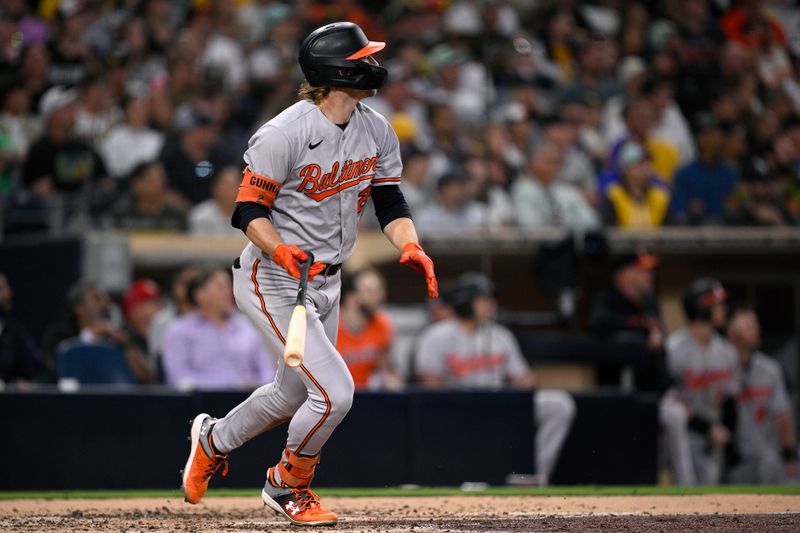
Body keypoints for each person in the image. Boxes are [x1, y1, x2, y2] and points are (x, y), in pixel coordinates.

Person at [180, 22, 438, 527]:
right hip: (273, 276)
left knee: (292, 393)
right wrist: (278, 250)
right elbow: (247, 210)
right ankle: (287, 485)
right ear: (336, 70)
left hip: (328, 278)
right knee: (335, 392)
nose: (372, 64)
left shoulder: (377, 128)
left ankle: (213, 440)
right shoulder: (283, 133)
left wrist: (410, 244)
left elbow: (389, 199)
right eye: (362, 58)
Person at [414, 273, 575, 485]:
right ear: (465, 302)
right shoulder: (436, 335)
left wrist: (522, 385)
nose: (492, 304)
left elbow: (524, 379)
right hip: (459, 408)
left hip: (499, 404)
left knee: (559, 404)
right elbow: (430, 385)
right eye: (484, 299)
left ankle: (534, 476)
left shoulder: (501, 335)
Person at [660, 278, 740, 486]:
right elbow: (667, 399)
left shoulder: (726, 351)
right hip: (682, 434)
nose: (723, 309)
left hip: (712, 438)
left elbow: (731, 400)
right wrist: (706, 428)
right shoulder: (674, 348)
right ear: (702, 307)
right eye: (718, 303)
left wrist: (725, 433)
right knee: (685, 488)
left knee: (709, 498)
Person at [162, 267, 275, 390]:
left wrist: (259, 388)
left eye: (229, 286)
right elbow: (180, 378)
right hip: (202, 403)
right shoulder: (180, 330)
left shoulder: (245, 327)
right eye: (221, 287)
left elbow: (267, 371)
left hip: (249, 400)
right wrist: (225, 388)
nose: (229, 292)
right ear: (200, 295)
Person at [726, 308, 798, 484]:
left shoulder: (770, 369)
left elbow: (782, 416)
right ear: (732, 332)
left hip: (767, 456)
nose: (756, 330)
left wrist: (789, 455)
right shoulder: (721, 367)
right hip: (729, 459)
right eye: (749, 326)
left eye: (756, 325)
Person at [588, 250, 667, 391]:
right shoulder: (607, 300)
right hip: (613, 388)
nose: (650, 276)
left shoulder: (650, 303)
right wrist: (642, 335)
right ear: (624, 274)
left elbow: (660, 332)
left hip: (649, 387)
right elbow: (599, 325)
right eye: (643, 271)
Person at [336, 269, 400, 390]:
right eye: (371, 292)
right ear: (351, 297)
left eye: (379, 291)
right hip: (334, 398)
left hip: (368, 398)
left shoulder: (382, 324)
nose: (379, 297)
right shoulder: (329, 325)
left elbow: (386, 370)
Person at [511, 143, 600, 230]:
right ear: (532, 163)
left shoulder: (568, 191)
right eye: (548, 160)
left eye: (556, 161)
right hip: (538, 243)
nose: (553, 166)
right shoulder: (523, 189)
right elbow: (528, 225)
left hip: (570, 242)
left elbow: (591, 221)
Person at [670, 113, 739, 225]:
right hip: (694, 234)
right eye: (709, 134)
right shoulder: (684, 173)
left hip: (725, 233)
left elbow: (735, 205)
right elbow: (678, 209)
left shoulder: (729, 173)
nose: (715, 138)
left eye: (717, 133)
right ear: (699, 138)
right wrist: (690, 208)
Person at [601, 141, 670, 229]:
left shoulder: (661, 197)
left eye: (647, 163)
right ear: (626, 169)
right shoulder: (613, 195)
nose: (645, 168)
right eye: (639, 164)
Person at [0, 272, 50, 384]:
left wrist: (30, 384)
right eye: (0, 289)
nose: (7, 294)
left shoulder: (13, 334)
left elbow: (42, 373)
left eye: (6, 288)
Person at [111, 161, 187, 231]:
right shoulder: (121, 215)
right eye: (154, 180)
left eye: (162, 180)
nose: (160, 184)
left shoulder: (176, 215)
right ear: (137, 184)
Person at [188, 166, 241, 236]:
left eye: (235, 185)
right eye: (227, 185)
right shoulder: (200, 215)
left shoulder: (249, 217)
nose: (231, 190)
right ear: (215, 187)